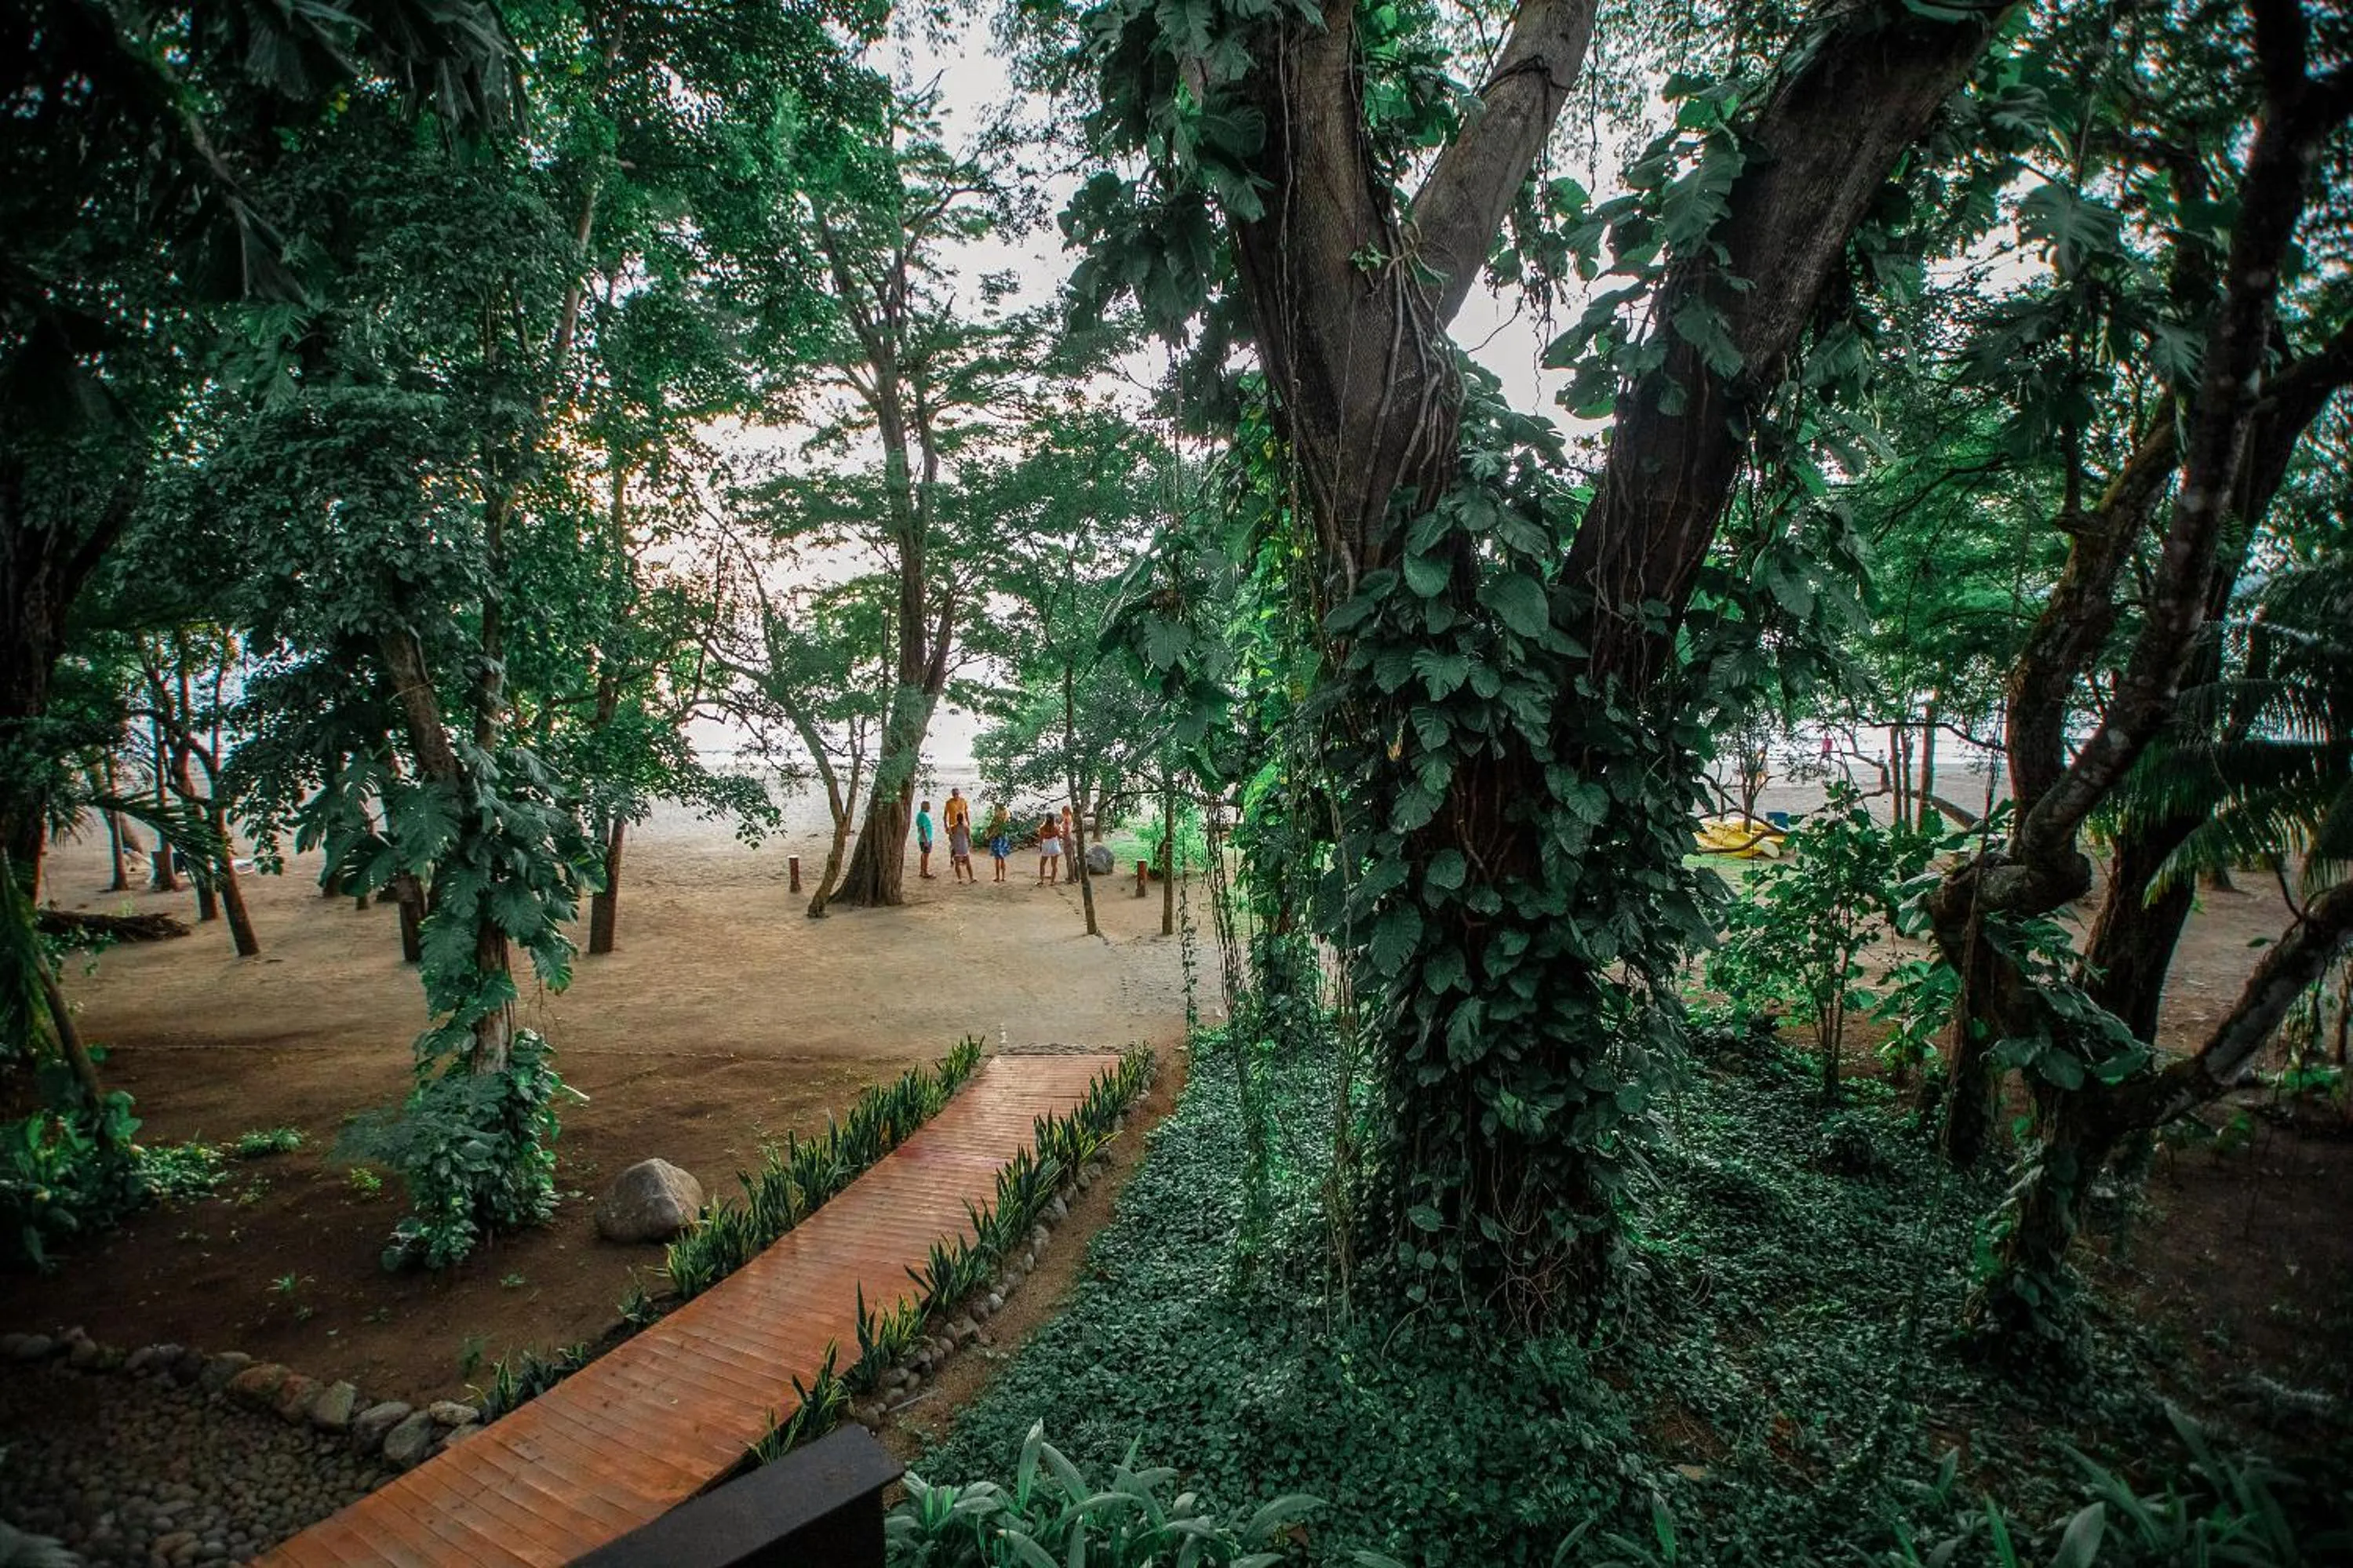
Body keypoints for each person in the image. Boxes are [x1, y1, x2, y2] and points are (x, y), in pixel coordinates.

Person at [945, 788, 974, 883]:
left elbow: (966, 812)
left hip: (960, 827)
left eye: (957, 794)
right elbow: (945, 815)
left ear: (959, 793)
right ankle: (954, 859)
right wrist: (946, 826)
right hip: (955, 827)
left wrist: (968, 822)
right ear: (952, 794)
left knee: (958, 845)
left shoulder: (963, 801)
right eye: (954, 794)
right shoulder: (948, 803)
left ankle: (961, 865)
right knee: (954, 844)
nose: (956, 796)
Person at [985, 804, 1011, 883]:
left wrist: (989, 836)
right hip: (1004, 838)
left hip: (997, 839)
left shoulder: (996, 818)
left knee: (997, 859)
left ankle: (998, 877)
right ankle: (1003, 877)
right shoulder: (1006, 817)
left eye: (995, 809)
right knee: (1002, 858)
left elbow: (993, 829)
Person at [1036, 809, 1062, 885]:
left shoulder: (1042, 828)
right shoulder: (1056, 827)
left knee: (1042, 864)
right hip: (1054, 846)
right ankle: (1052, 881)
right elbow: (1059, 836)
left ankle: (1041, 880)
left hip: (1046, 846)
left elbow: (1041, 838)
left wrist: (1040, 846)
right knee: (1054, 865)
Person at [915, 799, 936, 880]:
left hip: (923, 839)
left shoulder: (920, 814)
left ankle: (922, 871)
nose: (930, 808)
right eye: (929, 806)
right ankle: (925, 873)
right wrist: (926, 840)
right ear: (925, 807)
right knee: (926, 856)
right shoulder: (923, 816)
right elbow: (923, 829)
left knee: (923, 855)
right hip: (925, 839)